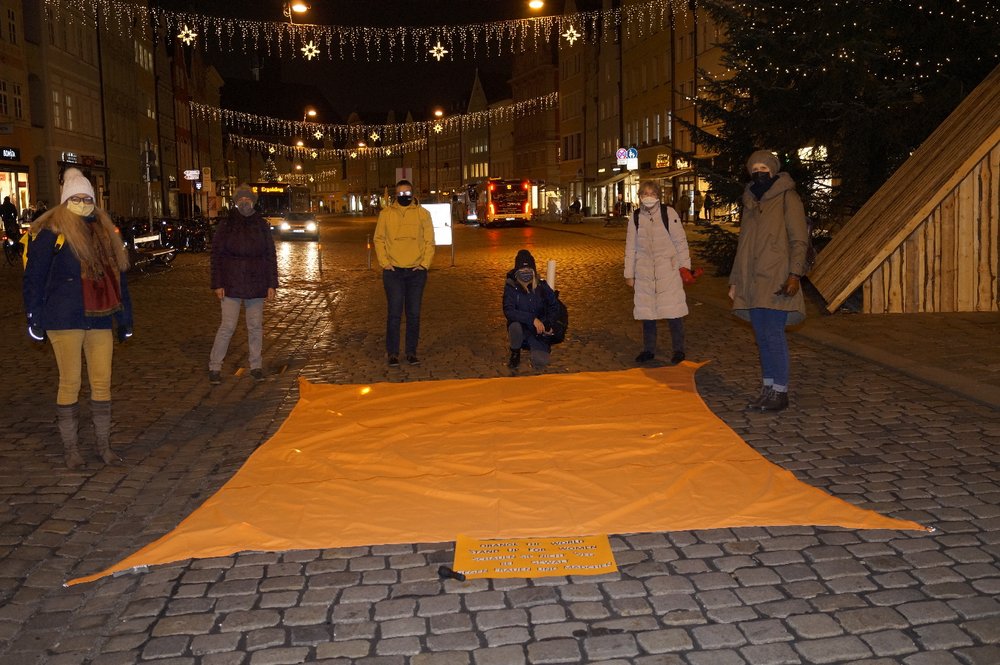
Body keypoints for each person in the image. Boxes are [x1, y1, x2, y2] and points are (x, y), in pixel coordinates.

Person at [22, 168, 133, 469]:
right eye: (77, 197)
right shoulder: (51, 232)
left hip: (100, 316)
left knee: (102, 382)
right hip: (64, 317)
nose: (83, 202)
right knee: (70, 382)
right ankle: (71, 450)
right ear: (65, 200)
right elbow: (34, 277)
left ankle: (103, 446)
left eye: (88, 198)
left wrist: (125, 319)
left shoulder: (104, 230)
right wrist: (34, 316)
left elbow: (117, 279)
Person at [728, 150, 809, 412]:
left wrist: (795, 274)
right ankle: (768, 387)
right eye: (754, 167)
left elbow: (799, 240)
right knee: (761, 337)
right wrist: (735, 281)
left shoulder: (788, 197)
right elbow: (743, 245)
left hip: (776, 277)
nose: (758, 171)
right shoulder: (750, 200)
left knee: (773, 335)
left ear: (773, 170)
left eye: (764, 166)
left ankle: (780, 391)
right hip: (751, 279)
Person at [208, 184, 278, 384]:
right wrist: (218, 284)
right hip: (231, 283)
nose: (244, 202)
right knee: (227, 326)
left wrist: (271, 284)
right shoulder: (227, 224)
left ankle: (256, 365)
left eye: (248, 199)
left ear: (253, 202)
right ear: (236, 202)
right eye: (241, 199)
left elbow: (270, 255)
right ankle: (215, 366)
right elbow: (217, 255)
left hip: (256, 283)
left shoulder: (261, 225)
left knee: (255, 327)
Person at [625, 180, 692, 365]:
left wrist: (684, 267)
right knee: (647, 313)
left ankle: (679, 350)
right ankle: (648, 350)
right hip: (644, 272)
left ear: (658, 196)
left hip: (668, 271)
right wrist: (629, 274)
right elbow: (630, 247)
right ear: (639, 197)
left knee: (673, 312)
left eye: (652, 193)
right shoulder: (636, 217)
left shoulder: (668, 213)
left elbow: (680, 242)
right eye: (644, 194)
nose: (648, 197)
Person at [374, 179, 435, 367]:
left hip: (416, 272)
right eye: (400, 194)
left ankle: (411, 352)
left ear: (413, 193)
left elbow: (429, 241)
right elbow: (379, 239)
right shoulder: (386, 214)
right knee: (394, 313)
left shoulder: (423, 214)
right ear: (395, 195)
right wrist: (385, 263)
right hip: (393, 272)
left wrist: (424, 264)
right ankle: (392, 352)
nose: (404, 197)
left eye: (407, 194)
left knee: (414, 314)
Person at [503, 249, 558, 371]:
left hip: (538, 329)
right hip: (521, 325)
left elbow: (554, 306)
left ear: (533, 270)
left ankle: (537, 347)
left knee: (540, 362)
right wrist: (531, 319)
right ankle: (515, 352)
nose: (525, 273)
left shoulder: (542, 286)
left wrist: (549, 323)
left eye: (528, 270)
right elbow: (509, 311)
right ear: (517, 271)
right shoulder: (511, 287)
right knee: (514, 326)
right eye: (522, 270)